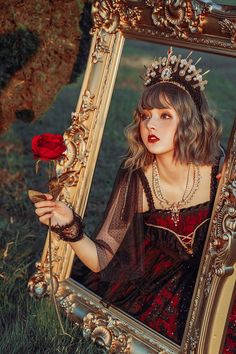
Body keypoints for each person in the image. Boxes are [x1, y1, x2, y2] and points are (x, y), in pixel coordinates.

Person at [34, 48, 224, 345]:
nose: (151, 124)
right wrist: (68, 225)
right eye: (146, 115)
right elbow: (100, 260)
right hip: (156, 280)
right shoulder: (137, 178)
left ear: (188, 122)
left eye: (165, 116)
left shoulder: (219, 171)